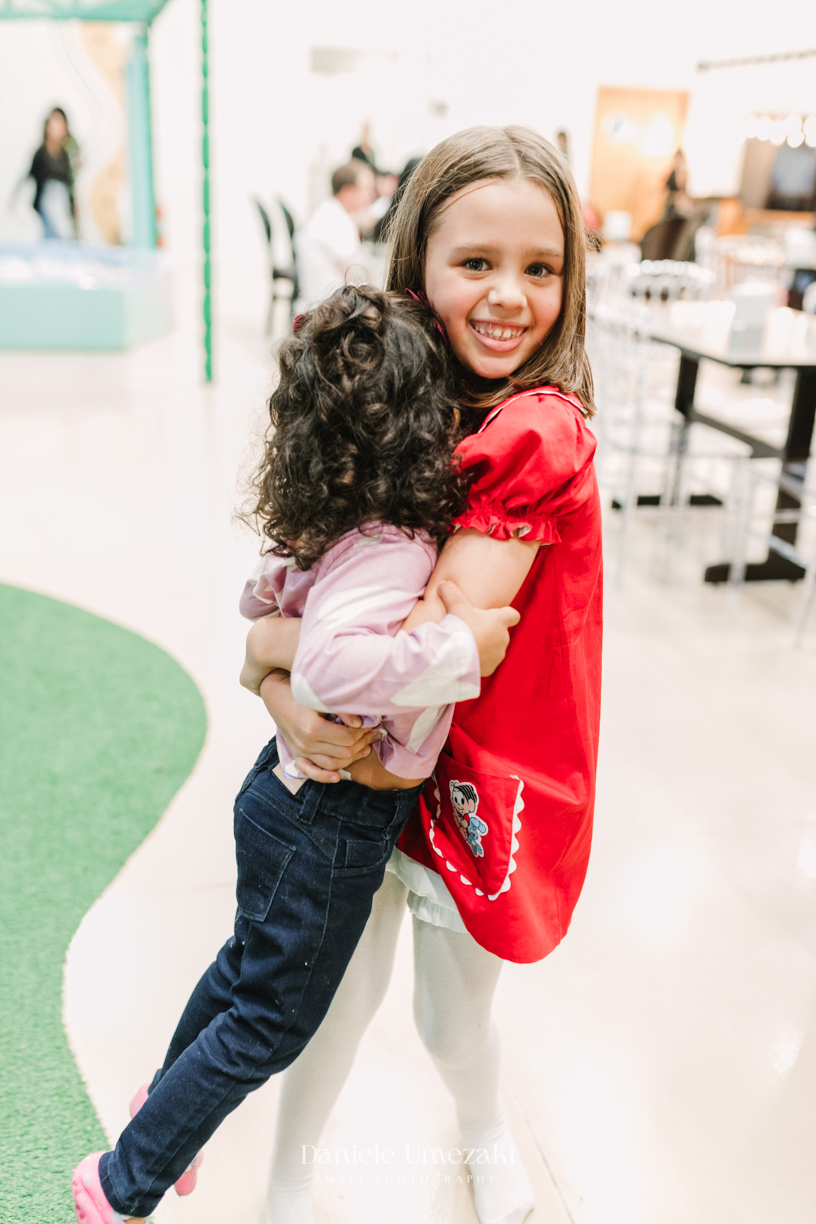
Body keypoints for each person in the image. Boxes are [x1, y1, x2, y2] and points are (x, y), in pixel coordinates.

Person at [70, 287, 520, 1224]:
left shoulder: (343, 520)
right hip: (329, 823)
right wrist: (456, 652)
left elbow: (261, 604)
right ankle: (125, 1183)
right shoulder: (395, 543)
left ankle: (163, 1109)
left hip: (284, 802)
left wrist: (299, 611)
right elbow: (326, 660)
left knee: (244, 970)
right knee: (269, 1021)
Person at [255, 125, 602, 1224]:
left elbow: (407, 635)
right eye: (476, 264)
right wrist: (275, 677)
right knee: (330, 999)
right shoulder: (388, 407)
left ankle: (486, 1125)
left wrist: (273, 661)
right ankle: (286, 1175)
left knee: (452, 1022)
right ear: (416, 270)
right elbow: (308, 611)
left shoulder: (537, 432)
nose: (509, 297)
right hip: (365, 764)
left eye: (540, 268)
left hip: (477, 776)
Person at [295, 161, 376, 308]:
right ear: (347, 192)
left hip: (325, 302)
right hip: (329, 309)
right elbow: (354, 278)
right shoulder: (335, 221)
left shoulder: (331, 212)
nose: (372, 195)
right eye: (367, 189)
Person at [27, 107, 78, 240]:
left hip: (63, 205)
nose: (58, 127)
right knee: (56, 237)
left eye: (61, 123)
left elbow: (69, 184)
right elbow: (32, 180)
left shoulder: (65, 155)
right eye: (54, 123)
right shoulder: (41, 154)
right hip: (48, 204)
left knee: (63, 238)